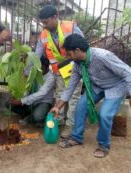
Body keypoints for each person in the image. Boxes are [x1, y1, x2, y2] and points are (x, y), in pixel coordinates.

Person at [50, 34, 131, 158]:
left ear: (77, 50)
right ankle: (77, 137)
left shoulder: (103, 56)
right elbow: (71, 86)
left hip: (116, 86)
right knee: (80, 107)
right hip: (97, 86)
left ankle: (104, 145)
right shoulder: (77, 64)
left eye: (69, 53)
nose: (67, 57)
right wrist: (58, 106)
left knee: (105, 114)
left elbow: (127, 71)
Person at [35, 5, 83, 135]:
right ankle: (59, 120)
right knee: (60, 95)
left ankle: (70, 125)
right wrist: (27, 72)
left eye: (46, 22)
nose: (44, 25)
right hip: (58, 71)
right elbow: (36, 55)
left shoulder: (70, 27)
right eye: (42, 23)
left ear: (55, 17)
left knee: (73, 98)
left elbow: (82, 46)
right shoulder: (44, 35)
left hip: (74, 68)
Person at [10, 56, 55, 126]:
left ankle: (33, 117)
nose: (39, 70)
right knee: (9, 104)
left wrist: (22, 101)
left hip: (43, 101)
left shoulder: (50, 78)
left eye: (41, 68)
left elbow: (41, 93)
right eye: (38, 67)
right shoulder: (34, 72)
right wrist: (19, 97)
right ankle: (29, 114)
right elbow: (27, 87)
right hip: (31, 100)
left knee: (37, 116)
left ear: (46, 67)